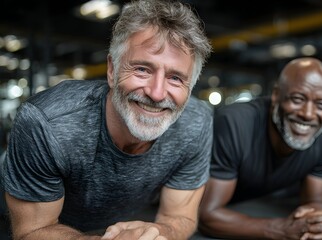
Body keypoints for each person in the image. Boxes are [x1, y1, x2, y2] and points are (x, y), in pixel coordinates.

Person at [1, 0, 212, 239]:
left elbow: (180, 218)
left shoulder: (196, 123)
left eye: (175, 78)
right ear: (112, 70)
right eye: (142, 69)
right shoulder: (47, 123)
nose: (156, 93)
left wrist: (160, 232)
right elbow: (32, 230)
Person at [199, 57, 322, 240]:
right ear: (276, 95)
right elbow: (207, 215)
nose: (308, 114)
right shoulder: (235, 124)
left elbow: (318, 202)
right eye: (297, 99)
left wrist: (317, 219)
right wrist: (280, 229)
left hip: (260, 202)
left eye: (321, 105)